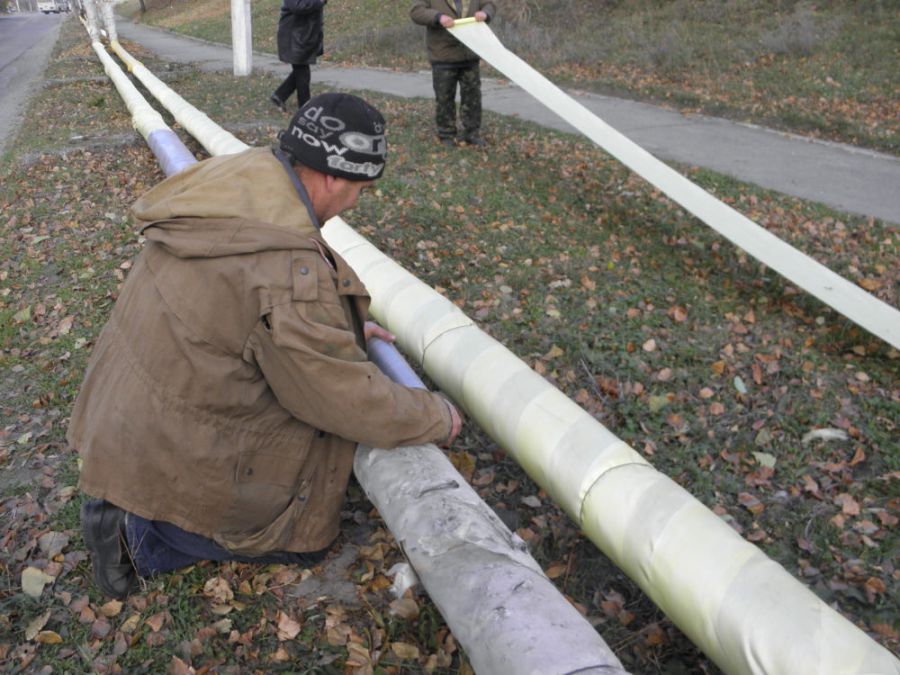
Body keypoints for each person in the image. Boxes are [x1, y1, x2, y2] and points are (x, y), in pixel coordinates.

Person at [71, 93, 463, 599]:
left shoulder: (235, 181)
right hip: (163, 445)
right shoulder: (286, 270)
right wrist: (435, 415)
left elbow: (250, 313)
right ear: (333, 177)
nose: (355, 203)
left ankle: (137, 502)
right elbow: (341, 399)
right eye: (361, 189)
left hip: (125, 422)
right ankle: (141, 536)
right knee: (302, 540)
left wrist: (338, 323)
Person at [411, 0, 496, 147]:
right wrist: (438, 17)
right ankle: (446, 135)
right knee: (444, 99)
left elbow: (490, 4)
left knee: (473, 99)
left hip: (470, 55)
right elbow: (416, 12)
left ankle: (471, 134)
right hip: (443, 56)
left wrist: (485, 13)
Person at [270, 0, 327, 112]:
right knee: (302, 72)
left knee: (300, 71)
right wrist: (319, 2)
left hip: (304, 35)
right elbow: (298, 7)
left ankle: (280, 95)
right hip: (294, 35)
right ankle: (305, 107)